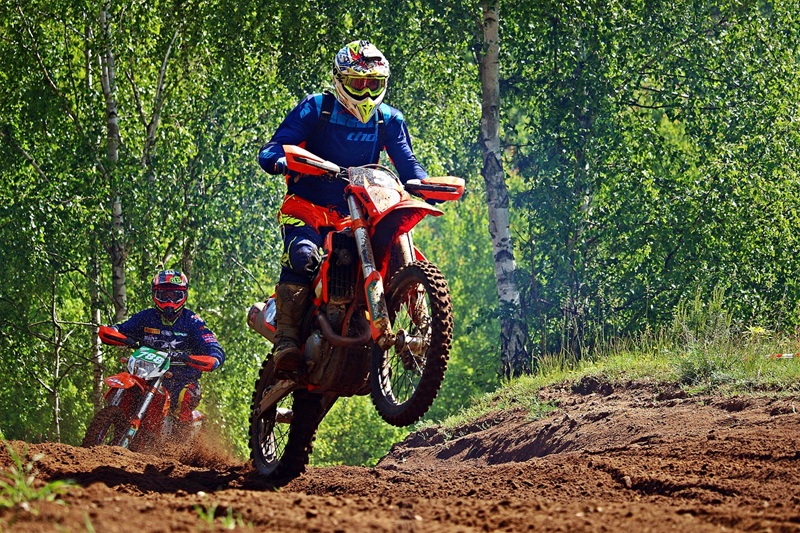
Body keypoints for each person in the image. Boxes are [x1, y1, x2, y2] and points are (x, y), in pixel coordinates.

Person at [257, 39, 429, 374]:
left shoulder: (388, 120)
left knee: (395, 250)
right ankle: (288, 341)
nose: (365, 93)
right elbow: (274, 146)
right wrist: (277, 160)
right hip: (306, 207)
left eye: (373, 84)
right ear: (340, 79)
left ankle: (424, 328)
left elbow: (408, 164)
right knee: (303, 256)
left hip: (358, 213)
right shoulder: (316, 108)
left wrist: (423, 184)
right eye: (357, 83)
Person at [103, 269, 225, 433]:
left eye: (174, 296)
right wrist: (119, 336)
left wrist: (213, 357)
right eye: (163, 295)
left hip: (180, 380)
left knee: (184, 399)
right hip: (145, 374)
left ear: (184, 296)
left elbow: (213, 347)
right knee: (125, 385)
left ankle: (177, 445)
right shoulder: (146, 317)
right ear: (155, 295)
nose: (169, 301)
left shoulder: (192, 322)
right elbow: (118, 329)